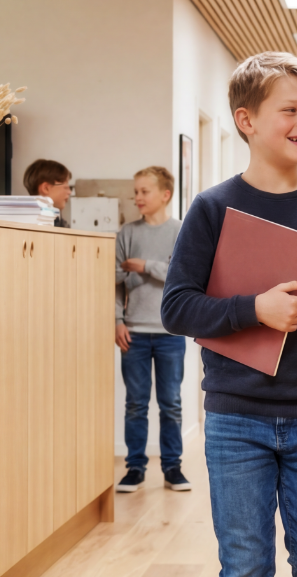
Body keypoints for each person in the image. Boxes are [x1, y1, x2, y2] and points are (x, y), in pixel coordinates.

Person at [161, 52, 297, 577]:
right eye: (291, 110)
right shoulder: (212, 208)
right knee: (243, 564)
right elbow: (176, 307)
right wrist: (254, 309)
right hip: (235, 418)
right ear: (247, 121)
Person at [115, 166, 187, 493]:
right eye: (136, 191)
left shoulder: (181, 231)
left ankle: (172, 467)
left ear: (165, 195)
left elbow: (183, 276)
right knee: (136, 403)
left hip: (170, 332)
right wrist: (116, 320)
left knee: (170, 403)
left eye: (145, 191)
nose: (138, 197)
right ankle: (134, 467)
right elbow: (113, 282)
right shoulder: (127, 233)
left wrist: (144, 266)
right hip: (134, 332)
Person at [23, 158, 72, 227]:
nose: (69, 192)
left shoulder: (60, 223)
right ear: (46, 188)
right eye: (65, 187)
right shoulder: (27, 224)